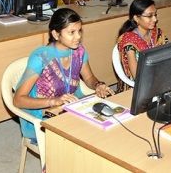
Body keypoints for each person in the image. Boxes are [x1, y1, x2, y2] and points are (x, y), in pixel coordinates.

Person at [13, 8, 114, 142]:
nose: (78, 37)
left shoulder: (79, 51)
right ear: (56, 34)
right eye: (71, 32)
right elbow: (18, 100)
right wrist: (54, 101)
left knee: (104, 126)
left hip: (71, 107)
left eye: (79, 31)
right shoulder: (42, 57)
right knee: (86, 137)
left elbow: (89, 78)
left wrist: (98, 85)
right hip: (44, 114)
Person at [116, 0, 167, 92]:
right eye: (149, 16)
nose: (155, 19)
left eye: (155, 14)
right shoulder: (130, 41)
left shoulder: (157, 34)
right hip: (137, 88)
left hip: (158, 79)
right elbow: (136, 75)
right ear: (136, 18)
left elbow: (168, 56)